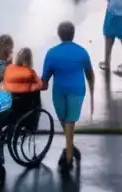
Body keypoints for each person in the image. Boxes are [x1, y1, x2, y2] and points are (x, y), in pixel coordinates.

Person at [41, 21, 94, 173]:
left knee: (67, 121)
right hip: (77, 90)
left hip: (60, 91)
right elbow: (90, 74)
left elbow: (45, 79)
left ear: (59, 34)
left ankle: (68, 158)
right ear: (73, 34)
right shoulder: (81, 51)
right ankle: (71, 148)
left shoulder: (52, 53)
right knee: (68, 123)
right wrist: (92, 90)